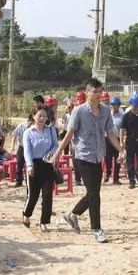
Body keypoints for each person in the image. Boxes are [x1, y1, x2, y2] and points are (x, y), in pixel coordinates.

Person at [54, 78, 122, 243]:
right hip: (83, 156)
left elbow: (111, 133)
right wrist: (57, 154)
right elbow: (69, 135)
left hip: (98, 156)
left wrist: (121, 150)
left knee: (93, 193)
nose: (97, 94)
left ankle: (72, 214)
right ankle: (97, 229)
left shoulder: (105, 111)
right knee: (94, 194)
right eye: (94, 91)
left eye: (99, 91)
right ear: (87, 92)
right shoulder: (79, 111)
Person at [22, 109, 60, 228]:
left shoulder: (50, 130)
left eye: (44, 116)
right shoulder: (28, 132)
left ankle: (44, 221)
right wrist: (29, 165)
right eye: (40, 116)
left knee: (47, 195)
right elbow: (27, 151)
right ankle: (27, 214)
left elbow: (55, 145)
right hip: (34, 165)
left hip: (47, 164)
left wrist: (50, 155)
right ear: (34, 116)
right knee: (33, 195)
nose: (43, 118)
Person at [105, 97, 125, 184]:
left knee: (118, 159)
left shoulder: (122, 116)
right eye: (113, 105)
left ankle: (116, 179)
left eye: (116, 105)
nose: (114, 107)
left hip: (117, 138)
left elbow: (123, 129)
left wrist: (122, 140)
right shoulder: (107, 115)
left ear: (119, 106)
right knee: (107, 158)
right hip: (107, 139)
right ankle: (108, 173)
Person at [10, 117, 30, 187]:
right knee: (19, 165)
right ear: (28, 120)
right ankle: (19, 181)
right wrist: (12, 146)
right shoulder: (21, 126)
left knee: (29, 165)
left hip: (30, 149)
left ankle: (29, 181)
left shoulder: (34, 127)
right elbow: (14, 136)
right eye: (30, 122)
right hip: (21, 147)